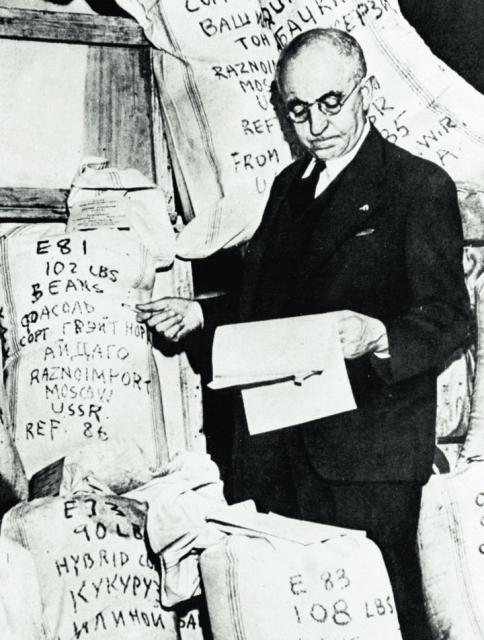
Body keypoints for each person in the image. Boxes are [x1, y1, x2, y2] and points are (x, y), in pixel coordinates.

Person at [137, 28, 471, 640]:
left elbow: (450, 316)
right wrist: (202, 315)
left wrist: (377, 334)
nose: (316, 124)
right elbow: (268, 305)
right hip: (278, 450)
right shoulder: (288, 188)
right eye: (298, 109)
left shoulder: (417, 186)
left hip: (366, 464)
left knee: (382, 620)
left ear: (366, 92)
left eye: (331, 103)